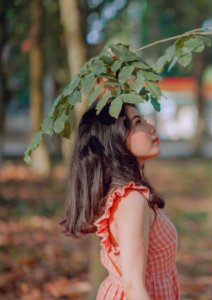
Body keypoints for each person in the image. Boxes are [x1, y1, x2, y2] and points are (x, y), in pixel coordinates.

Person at [60, 102, 179, 299]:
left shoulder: (129, 196)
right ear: (116, 138)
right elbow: (134, 288)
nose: (152, 127)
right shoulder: (131, 201)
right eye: (138, 122)